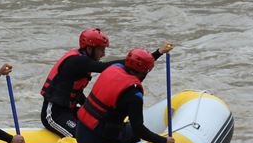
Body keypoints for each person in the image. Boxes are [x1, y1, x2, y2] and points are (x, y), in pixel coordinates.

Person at [40, 28, 173, 137]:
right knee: (79, 136)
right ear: (89, 48)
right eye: (101, 49)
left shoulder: (83, 61)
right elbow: (110, 67)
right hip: (53, 114)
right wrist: (155, 54)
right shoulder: (77, 62)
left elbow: (75, 92)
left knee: (91, 129)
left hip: (70, 110)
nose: (103, 54)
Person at [74, 48, 177, 143]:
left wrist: (158, 52)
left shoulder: (112, 69)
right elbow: (139, 129)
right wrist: (164, 141)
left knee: (122, 125)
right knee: (133, 133)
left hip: (80, 133)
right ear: (145, 71)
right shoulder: (133, 93)